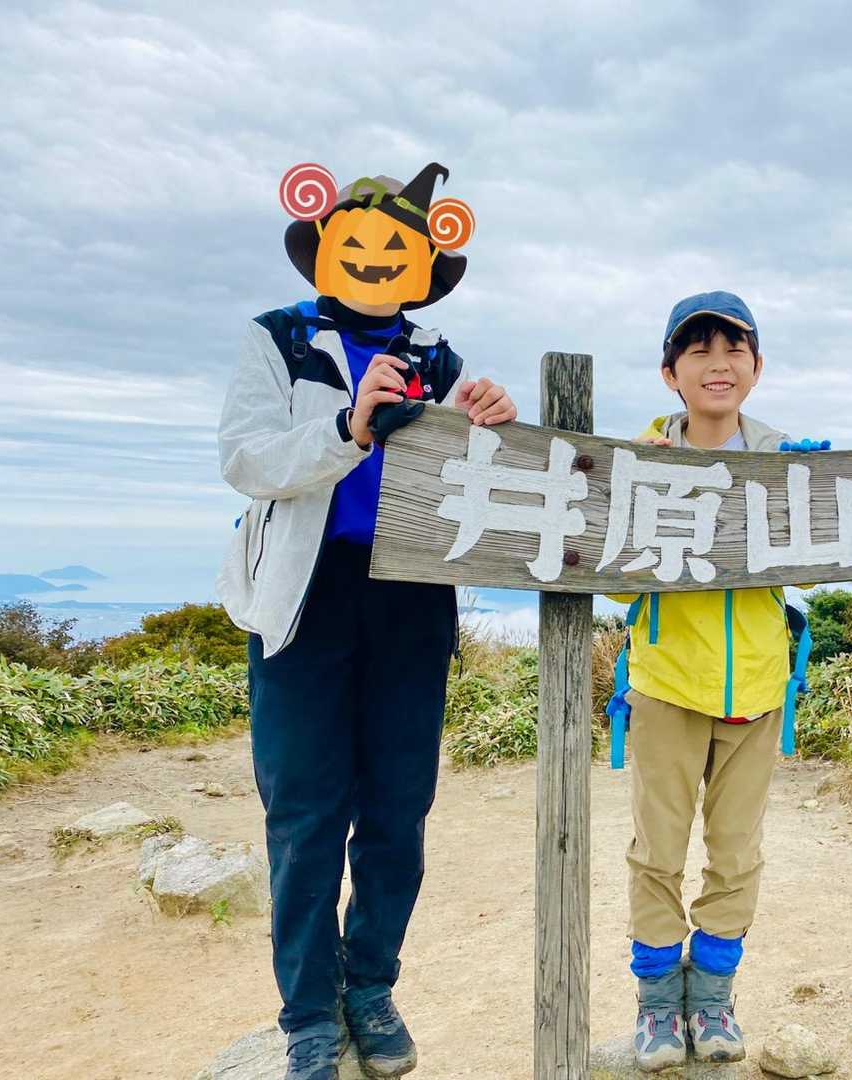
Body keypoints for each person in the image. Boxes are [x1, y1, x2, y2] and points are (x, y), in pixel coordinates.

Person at [215, 163, 516, 1080]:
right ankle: (309, 1013)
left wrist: (491, 426)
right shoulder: (279, 337)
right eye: (359, 241)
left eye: (398, 246)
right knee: (306, 811)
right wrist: (348, 427)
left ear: (426, 261)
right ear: (323, 248)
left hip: (412, 596)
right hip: (304, 597)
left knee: (397, 808)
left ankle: (371, 984)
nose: (378, 258)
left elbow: (469, 485)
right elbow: (245, 459)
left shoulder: (438, 357)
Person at [608, 291, 813, 1071]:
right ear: (671, 374)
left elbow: (815, 572)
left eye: (734, 349)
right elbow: (612, 582)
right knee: (656, 852)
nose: (717, 364)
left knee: (737, 854)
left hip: (759, 686)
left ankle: (715, 998)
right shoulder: (638, 461)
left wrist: (811, 487)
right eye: (698, 350)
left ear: (757, 368)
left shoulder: (787, 459)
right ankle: (659, 1005)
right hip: (666, 684)